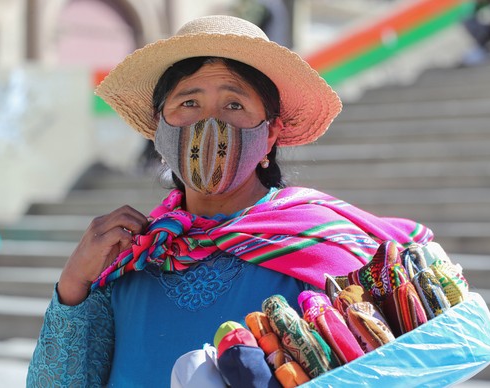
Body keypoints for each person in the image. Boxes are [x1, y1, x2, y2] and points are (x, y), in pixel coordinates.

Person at [27, 15, 433, 387]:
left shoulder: (327, 249)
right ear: (159, 131)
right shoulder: (128, 259)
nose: (210, 125)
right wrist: (73, 285)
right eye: (189, 103)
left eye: (234, 104)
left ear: (270, 134)